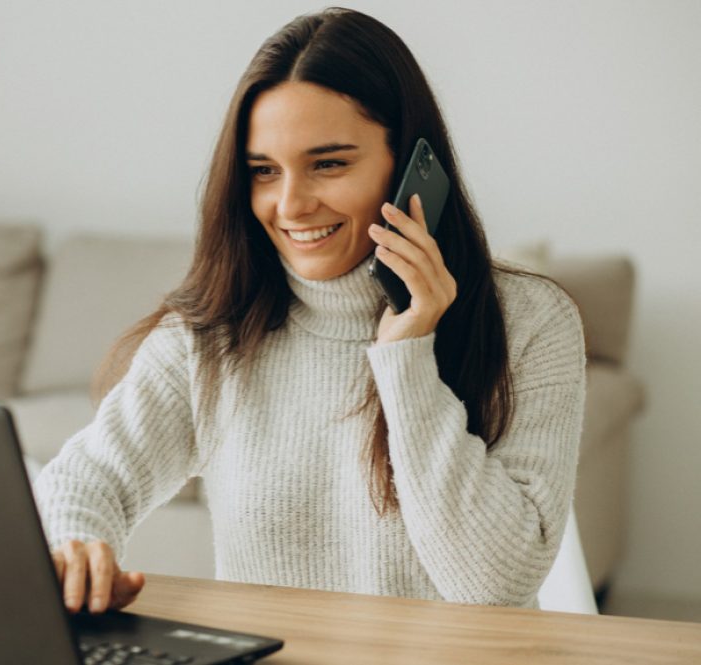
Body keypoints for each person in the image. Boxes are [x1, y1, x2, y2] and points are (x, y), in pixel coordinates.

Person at [33, 7, 586, 615]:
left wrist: (406, 356)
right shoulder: (213, 332)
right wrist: (76, 546)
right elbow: (84, 480)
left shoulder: (534, 321)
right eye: (263, 172)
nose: (290, 205)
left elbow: (495, 587)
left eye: (328, 163)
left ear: (408, 164)